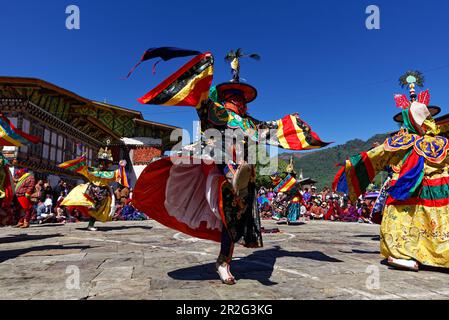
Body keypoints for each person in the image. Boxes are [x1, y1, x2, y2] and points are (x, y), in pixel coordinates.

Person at [129, 47, 330, 285]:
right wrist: (204, 72)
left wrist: (289, 122)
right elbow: (202, 103)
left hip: (248, 175)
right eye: (236, 98)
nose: (241, 102)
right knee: (228, 214)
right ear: (227, 99)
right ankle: (224, 262)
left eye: (242, 99)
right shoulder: (217, 112)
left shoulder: (249, 123)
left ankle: (225, 255)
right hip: (220, 170)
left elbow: (273, 129)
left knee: (234, 222)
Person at [333, 71, 449, 271]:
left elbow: (375, 156)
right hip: (439, 189)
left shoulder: (402, 141)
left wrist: (351, 166)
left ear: (409, 120)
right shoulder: (442, 142)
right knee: (436, 221)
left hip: (406, 189)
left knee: (400, 220)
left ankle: (402, 254)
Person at [58, 146, 126, 231]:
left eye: (104, 163)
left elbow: (119, 174)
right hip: (92, 190)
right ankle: (80, 212)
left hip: (103, 193)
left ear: (107, 164)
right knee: (85, 200)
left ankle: (90, 224)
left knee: (96, 211)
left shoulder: (110, 174)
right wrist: (82, 160)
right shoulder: (92, 170)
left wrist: (121, 166)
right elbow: (83, 168)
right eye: (100, 163)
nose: (102, 165)